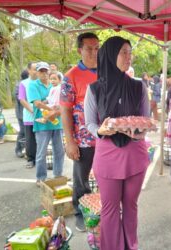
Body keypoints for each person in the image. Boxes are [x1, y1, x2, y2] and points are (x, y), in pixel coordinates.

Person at [84, 36, 150, 250]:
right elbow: (90, 124)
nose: (128, 57)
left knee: (131, 205)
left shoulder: (139, 87)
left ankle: (131, 246)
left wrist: (140, 133)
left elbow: (146, 120)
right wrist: (101, 131)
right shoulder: (94, 89)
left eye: (130, 53)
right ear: (110, 55)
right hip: (108, 156)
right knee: (110, 208)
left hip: (135, 156)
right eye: (123, 52)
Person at [60, 32, 99, 232]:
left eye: (97, 48)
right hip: (82, 140)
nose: (94, 52)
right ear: (80, 50)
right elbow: (65, 110)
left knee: (105, 177)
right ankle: (81, 214)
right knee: (81, 180)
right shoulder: (71, 76)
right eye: (89, 48)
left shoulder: (107, 72)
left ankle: (100, 211)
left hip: (105, 138)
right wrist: (70, 141)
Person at [27, 62, 64, 186]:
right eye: (41, 71)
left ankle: (58, 175)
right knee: (41, 152)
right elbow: (37, 103)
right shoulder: (33, 85)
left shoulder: (54, 85)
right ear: (37, 72)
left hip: (57, 123)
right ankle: (41, 178)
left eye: (45, 71)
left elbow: (61, 102)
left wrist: (57, 111)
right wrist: (52, 110)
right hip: (42, 125)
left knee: (59, 151)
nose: (44, 73)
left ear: (49, 71)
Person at [19, 62, 38, 168]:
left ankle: (40, 159)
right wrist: (32, 110)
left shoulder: (41, 82)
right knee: (30, 140)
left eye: (37, 69)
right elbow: (22, 99)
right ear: (29, 70)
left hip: (41, 116)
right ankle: (31, 159)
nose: (36, 71)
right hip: (29, 117)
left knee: (41, 139)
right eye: (34, 69)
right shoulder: (24, 83)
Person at [15, 70, 29, 157]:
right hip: (21, 113)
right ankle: (18, 149)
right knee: (23, 132)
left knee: (28, 133)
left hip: (28, 113)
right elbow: (20, 98)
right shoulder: (19, 85)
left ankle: (27, 150)